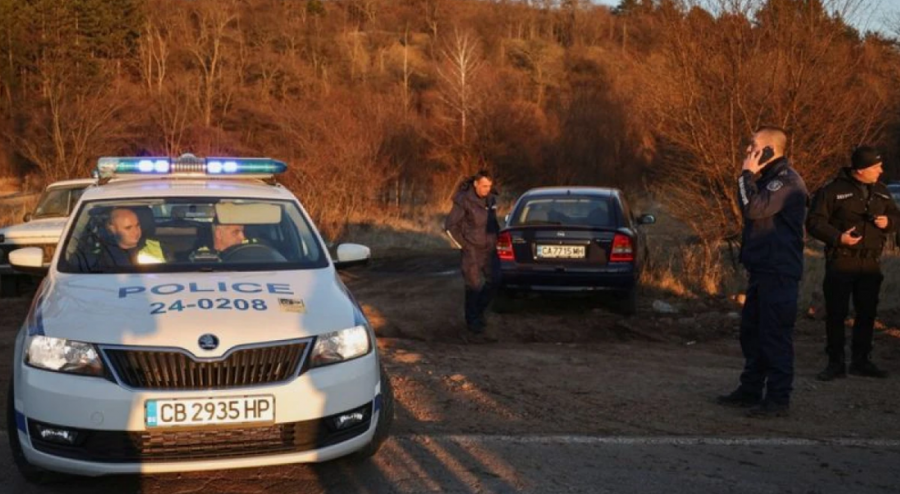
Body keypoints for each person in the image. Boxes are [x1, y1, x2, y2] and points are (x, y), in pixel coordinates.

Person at [717, 126, 808, 418]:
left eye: (753, 146)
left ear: (768, 150)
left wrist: (745, 175)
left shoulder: (786, 182)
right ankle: (750, 390)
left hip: (779, 271)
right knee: (752, 333)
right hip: (762, 269)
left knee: (774, 335)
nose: (748, 151)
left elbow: (754, 210)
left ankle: (778, 399)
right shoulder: (768, 181)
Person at [806, 145, 900, 381]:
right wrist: (838, 238)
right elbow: (815, 222)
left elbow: (897, 217)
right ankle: (835, 363)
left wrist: (887, 222)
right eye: (876, 167)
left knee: (867, 313)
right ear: (861, 169)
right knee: (837, 314)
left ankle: (862, 361)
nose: (881, 170)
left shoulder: (881, 192)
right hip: (841, 261)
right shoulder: (832, 191)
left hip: (870, 263)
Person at [445, 170, 501, 343]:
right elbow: (450, 226)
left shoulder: (491, 199)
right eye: (484, 186)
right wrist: (465, 246)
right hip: (472, 250)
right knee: (474, 285)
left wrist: (498, 239)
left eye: (489, 186)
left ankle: (478, 313)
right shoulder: (463, 200)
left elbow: (493, 223)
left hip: (490, 249)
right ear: (476, 184)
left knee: (496, 280)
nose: (487, 189)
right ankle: (472, 324)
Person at [99, 208, 166, 266]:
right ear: (113, 229)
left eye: (137, 225)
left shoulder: (156, 246)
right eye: (128, 228)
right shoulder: (103, 254)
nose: (136, 231)